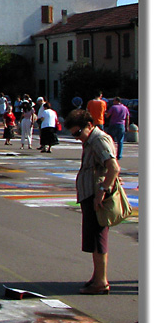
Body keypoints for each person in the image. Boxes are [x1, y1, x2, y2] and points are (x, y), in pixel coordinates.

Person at [64, 109, 121, 295]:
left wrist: (102, 191)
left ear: (89, 125)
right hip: (90, 194)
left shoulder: (99, 140)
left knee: (98, 238)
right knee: (93, 238)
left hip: (97, 195)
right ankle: (97, 277)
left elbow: (113, 167)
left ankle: (101, 282)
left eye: (77, 133)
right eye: (73, 134)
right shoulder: (90, 140)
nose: (76, 137)